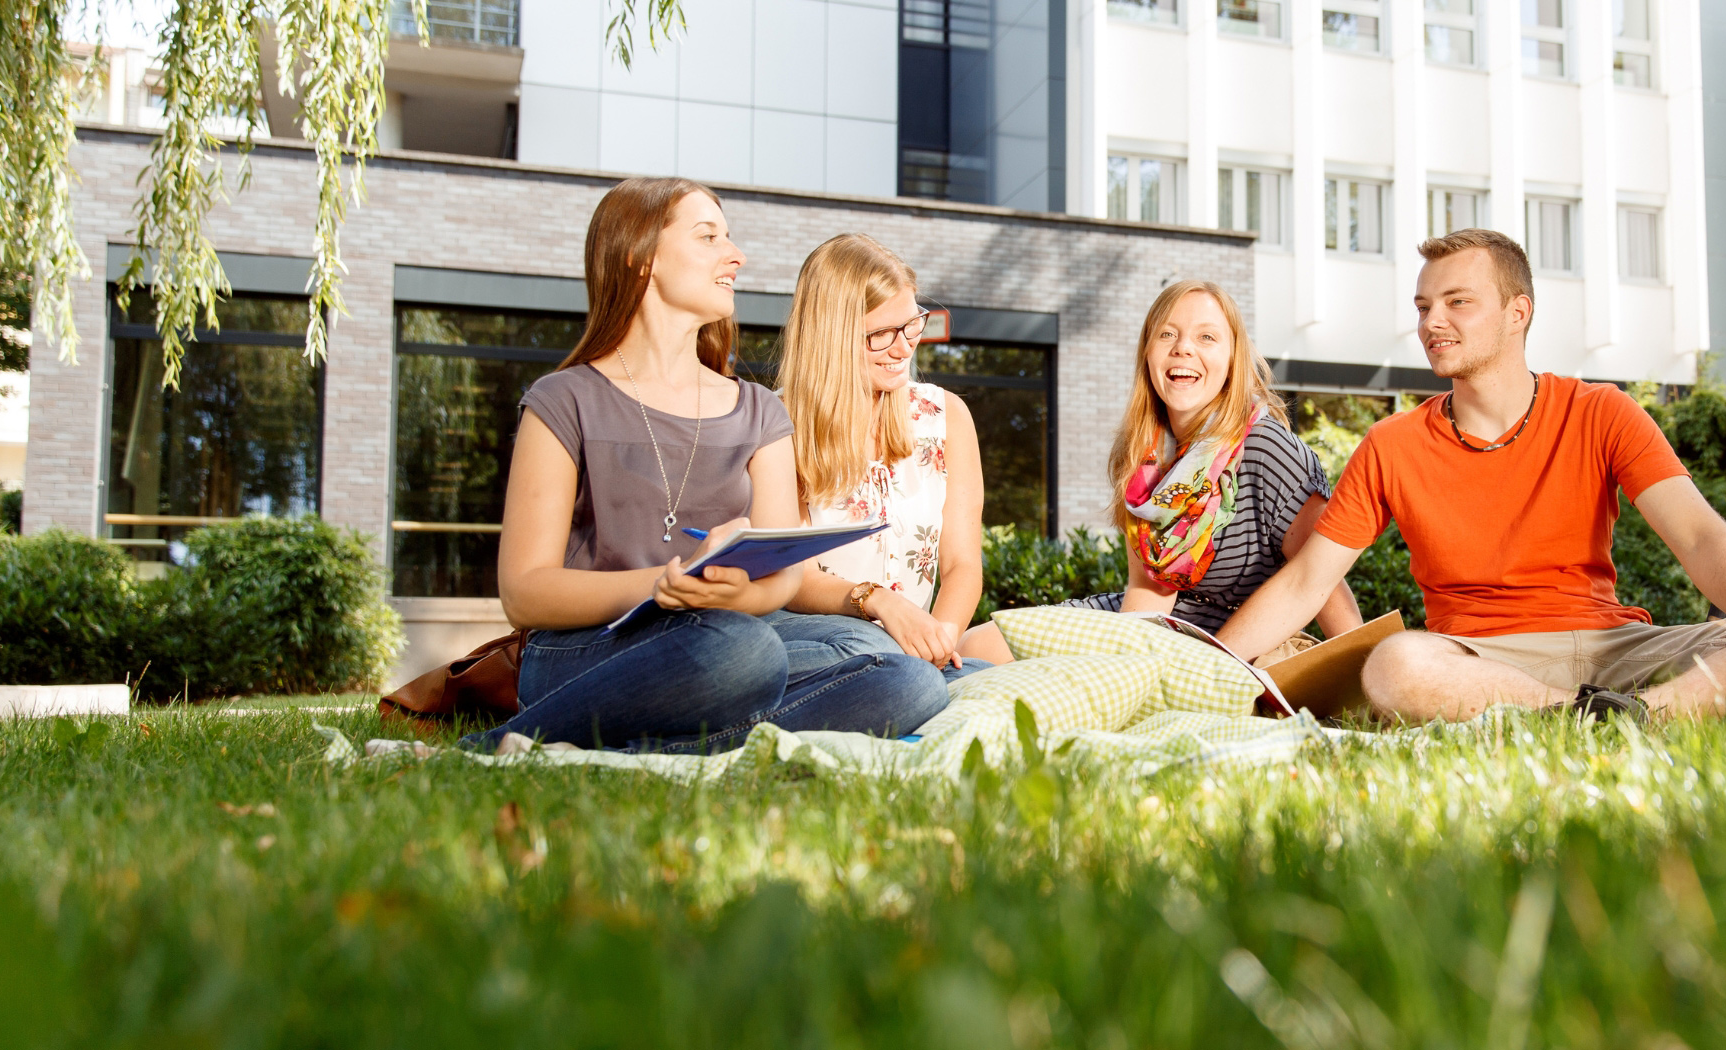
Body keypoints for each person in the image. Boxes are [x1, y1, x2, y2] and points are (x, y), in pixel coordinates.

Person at [1215, 229, 1726, 722]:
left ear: (1517, 312)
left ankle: (1639, 715)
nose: (1431, 322)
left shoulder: (1602, 410)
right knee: (1397, 666)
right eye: (1422, 306)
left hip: (1619, 645)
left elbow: (1697, 535)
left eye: (1456, 302)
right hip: (1487, 660)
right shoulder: (1391, 444)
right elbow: (1306, 581)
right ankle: (1606, 717)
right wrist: (1202, 662)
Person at [474, 178, 949, 754]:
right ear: (640, 255)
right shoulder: (564, 399)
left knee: (906, 673)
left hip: (731, 638)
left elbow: (781, 580)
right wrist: (667, 586)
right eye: (709, 237)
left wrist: (731, 597)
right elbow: (525, 594)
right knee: (742, 652)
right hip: (589, 648)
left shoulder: (759, 411)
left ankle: (633, 752)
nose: (736, 255)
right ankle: (503, 743)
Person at [958, 280, 1360, 665]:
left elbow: (1322, 579)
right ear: (1148, 352)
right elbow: (1149, 592)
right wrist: (1129, 658)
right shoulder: (1141, 454)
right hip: (1159, 623)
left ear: (1233, 358)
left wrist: (1358, 679)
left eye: (1206, 337)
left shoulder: (1267, 447)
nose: (1183, 348)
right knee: (979, 645)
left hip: (1237, 636)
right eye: (1167, 334)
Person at [770, 233, 990, 679]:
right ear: (831, 335)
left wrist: (937, 644)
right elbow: (795, 581)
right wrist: (878, 600)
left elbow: (962, 566)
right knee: (870, 649)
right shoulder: (778, 423)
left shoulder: (947, 416)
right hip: (824, 641)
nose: (904, 346)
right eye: (882, 334)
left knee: (993, 686)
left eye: (912, 324)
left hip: (908, 657)